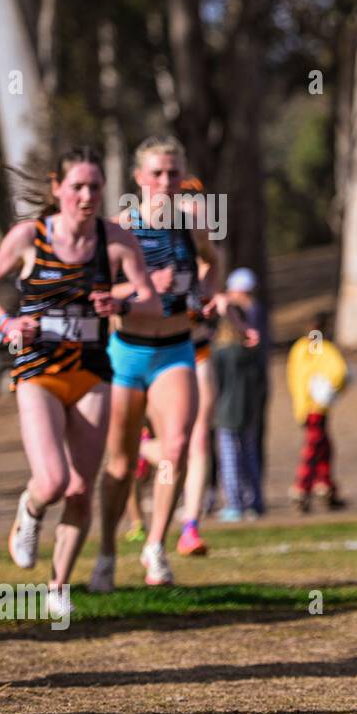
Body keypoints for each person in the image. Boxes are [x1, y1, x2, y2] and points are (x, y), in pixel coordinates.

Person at [0, 147, 159, 615]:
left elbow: (150, 299)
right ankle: (30, 510)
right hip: (39, 370)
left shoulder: (115, 240)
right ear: (57, 188)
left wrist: (122, 306)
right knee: (52, 481)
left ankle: (57, 588)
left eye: (95, 186)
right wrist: (8, 325)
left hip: (92, 372)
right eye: (77, 185)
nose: (87, 195)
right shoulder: (28, 237)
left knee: (79, 488)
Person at [96, 136, 232, 589]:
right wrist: (142, 289)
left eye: (173, 173)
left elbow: (213, 261)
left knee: (175, 448)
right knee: (118, 465)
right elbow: (98, 296)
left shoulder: (192, 222)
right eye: (156, 173)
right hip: (127, 352)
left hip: (176, 350)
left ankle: (155, 548)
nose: (166, 181)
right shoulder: (119, 229)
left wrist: (209, 295)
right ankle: (107, 553)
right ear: (139, 178)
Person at [176, 175, 220, 555]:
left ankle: (190, 525)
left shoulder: (198, 230)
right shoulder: (133, 230)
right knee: (168, 444)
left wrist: (207, 294)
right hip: (155, 349)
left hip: (198, 344)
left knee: (200, 433)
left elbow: (214, 260)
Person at [286, 312, 350, 512]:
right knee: (313, 448)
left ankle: (325, 487)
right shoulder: (323, 349)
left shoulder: (300, 349)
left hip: (304, 407)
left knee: (324, 446)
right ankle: (301, 488)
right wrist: (335, 388)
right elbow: (339, 372)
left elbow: (295, 376)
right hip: (316, 407)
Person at [211, 314, 266, 521]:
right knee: (250, 456)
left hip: (226, 412)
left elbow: (216, 385)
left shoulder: (220, 353)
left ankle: (234, 504)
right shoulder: (251, 353)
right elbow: (260, 383)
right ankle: (255, 501)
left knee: (230, 459)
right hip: (249, 411)